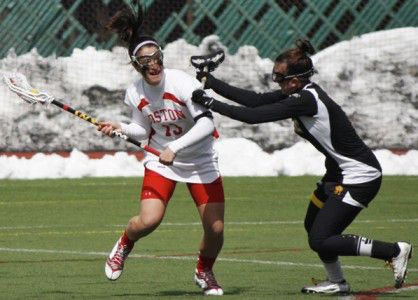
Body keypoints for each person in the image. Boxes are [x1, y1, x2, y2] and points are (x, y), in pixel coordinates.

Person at [191, 39, 412, 295]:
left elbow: (253, 117)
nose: (277, 81)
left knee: (321, 238)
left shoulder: (305, 100)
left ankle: (394, 251)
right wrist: (210, 82)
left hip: (360, 176)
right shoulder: (298, 92)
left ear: (296, 79)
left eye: (280, 77)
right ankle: (337, 281)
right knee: (314, 225)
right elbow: (254, 101)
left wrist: (211, 103)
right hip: (338, 174)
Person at [98, 7, 224, 296]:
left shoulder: (183, 83)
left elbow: (207, 124)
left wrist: (175, 147)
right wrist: (120, 127)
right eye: (146, 62)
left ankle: (204, 271)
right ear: (135, 65)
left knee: (215, 229)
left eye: (157, 59)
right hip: (161, 162)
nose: (154, 66)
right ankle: (124, 244)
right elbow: (141, 129)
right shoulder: (135, 92)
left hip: (201, 161)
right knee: (149, 220)